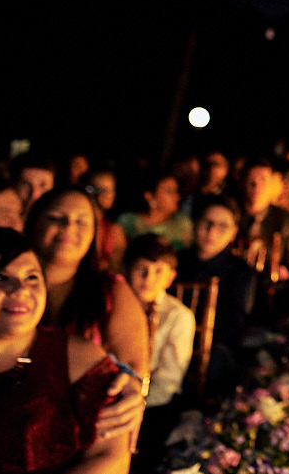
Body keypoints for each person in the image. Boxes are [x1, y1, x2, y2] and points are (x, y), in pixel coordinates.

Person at [0, 226, 130, 474]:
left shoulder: (79, 360)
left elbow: (111, 458)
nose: (21, 290)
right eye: (2, 278)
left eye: (32, 278)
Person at [24, 187, 151, 444]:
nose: (69, 227)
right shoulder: (4, 285)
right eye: (56, 217)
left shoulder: (111, 291)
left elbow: (135, 369)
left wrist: (131, 391)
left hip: (81, 430)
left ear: (95, 233)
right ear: (33, 223)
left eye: (81, 221)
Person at [125, 234, 194, 474]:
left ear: (170, 277)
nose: (147, 279)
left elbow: (168, 380)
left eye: (158, 271)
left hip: (154, 403)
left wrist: (137, 404)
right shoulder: (115, 308)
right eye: (141, 269)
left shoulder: (178, 317)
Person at [177, 194, 256, 398]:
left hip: (212, 347)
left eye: (222, 227)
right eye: (207, 223)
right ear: (195, 223)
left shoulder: (241, 272)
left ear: (233, 233)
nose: (211, 232)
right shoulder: (176, 263)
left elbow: (234, 324)